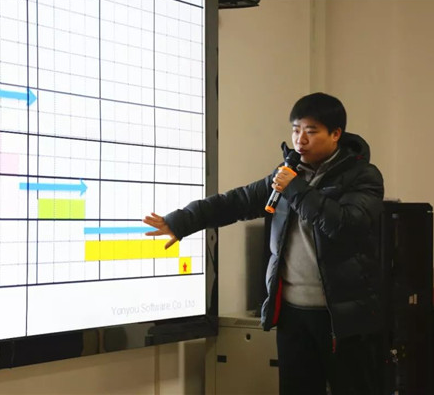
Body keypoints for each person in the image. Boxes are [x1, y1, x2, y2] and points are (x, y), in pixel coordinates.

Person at [143, 92, 384, 395]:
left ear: (336, 134)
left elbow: (345, 226)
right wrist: (181, 221)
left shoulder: (362, 176)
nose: (300, 140)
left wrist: (295, 189)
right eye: (296, 130)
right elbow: (237, 201)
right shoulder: (287, 174)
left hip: (343, 318)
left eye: (311, 131)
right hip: (293, 315)